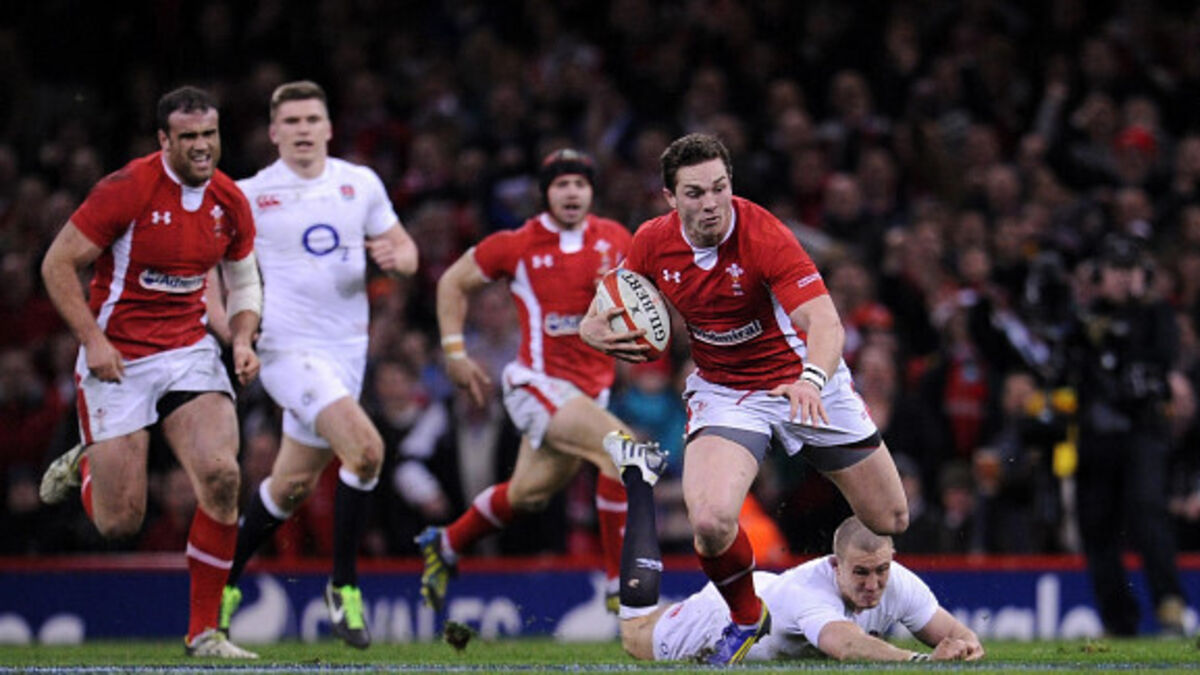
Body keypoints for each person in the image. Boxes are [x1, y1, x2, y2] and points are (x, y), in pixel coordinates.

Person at [581, 133, 909, 664]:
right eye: (695, 193)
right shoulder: (652, 241)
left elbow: (825, 322)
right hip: (727, 391)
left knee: (891, 518)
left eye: (720, 188)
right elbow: (609, 302)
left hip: (803, 379)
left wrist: (811, 380)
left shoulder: (764, 235)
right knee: (711, 523)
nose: (711, 203)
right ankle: (746, 616)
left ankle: (842, 592)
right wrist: (590, 329)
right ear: (670, 198)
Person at [37, 86, 262, 658]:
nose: (202, 146)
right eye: (188, 137)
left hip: (188, 351)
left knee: (223, 476)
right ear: (164, 140)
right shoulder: (127, 188)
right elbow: (57, 264)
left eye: (209, 134)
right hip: (118, 354)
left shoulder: (229, 199)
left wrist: (241, 338)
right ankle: (89, 461)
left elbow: (243, 280)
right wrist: (93, 341)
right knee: (119, 522)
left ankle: (204, 633)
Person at [217, 80, 418, 649]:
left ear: (328, 128)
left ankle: (219, 586)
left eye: (312, 120)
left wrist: (396, 259)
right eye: (291, 121)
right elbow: (212, 270)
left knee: (290, 487)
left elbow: (406, 251)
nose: (302, 130)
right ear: (273, 132)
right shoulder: (250, 195)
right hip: (286, 351)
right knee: (367, 450)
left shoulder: (360, 183)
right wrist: (236, 334)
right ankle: (344, 586)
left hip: (346, 352)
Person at [416, 149, 635, 614]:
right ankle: (620, 585)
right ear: (545, 193)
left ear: (592, 192)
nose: (572, 192)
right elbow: (452, 282)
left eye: (580, 183)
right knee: (623, 452)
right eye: (561, 184)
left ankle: (446, 543)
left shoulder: (616, 239)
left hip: (590, 393)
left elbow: (644, 298)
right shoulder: (516, 244)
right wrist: (454, 352)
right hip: (537, 384)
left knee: (527, 494)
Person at [605, 430, 984, 663]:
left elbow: (958, 635)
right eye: (860, 572)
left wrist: (967, 648)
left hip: (768, 593)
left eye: (881, 571)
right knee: (636, 633)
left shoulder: (896, 580)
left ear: (892, 561)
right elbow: (848, 646)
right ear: (835, 565)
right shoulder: (812, 592)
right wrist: (923, 661)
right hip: (720, 616)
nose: (873, 584)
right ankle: (640, 478)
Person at [1060, 233, 1187, 636]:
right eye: (1115, 269)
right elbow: (1064, 364)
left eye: (1128, 269)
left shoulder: (1155, 313)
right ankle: (1118, 620)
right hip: (1095, 437)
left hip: (1141, 433)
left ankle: (1169, 605)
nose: (1121, 277)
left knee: (1147, 512)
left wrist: (1120, 342)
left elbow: (1161, 361)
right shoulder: (1085, 317)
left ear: (1140, 274)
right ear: (1102, 275)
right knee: (1096, 527)